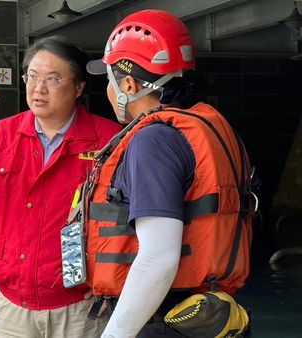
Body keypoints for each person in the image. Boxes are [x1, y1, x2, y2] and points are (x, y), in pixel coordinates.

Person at [0, 36, 122, 338]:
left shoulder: (108, 139)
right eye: (32, 77)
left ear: (79, 87)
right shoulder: (2, 134)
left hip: (80, 307)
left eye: (53, 79)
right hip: (13, 305)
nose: (38, 88)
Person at [81, 9, 254, 337]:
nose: (108, 89)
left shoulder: (153, 140)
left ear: (128, 84)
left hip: (167, 319)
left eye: (109, 79)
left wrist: (115, 334)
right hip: (205, 315)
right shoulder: (205, 126)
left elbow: (157, 259)